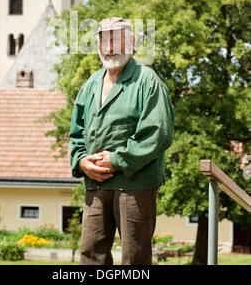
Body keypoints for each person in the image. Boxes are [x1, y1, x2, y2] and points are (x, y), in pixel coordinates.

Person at [69, 17, 174, 265]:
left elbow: (158, 134)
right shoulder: (90, 84)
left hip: (135, 185)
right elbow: (76, 133)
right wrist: (82, 161)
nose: (110, 48)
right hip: (95, 184)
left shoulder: (148, 81)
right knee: (91, 255)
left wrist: (117, 160)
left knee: (134, 258)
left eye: (116, 40)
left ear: (132, 42)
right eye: (104, 41)